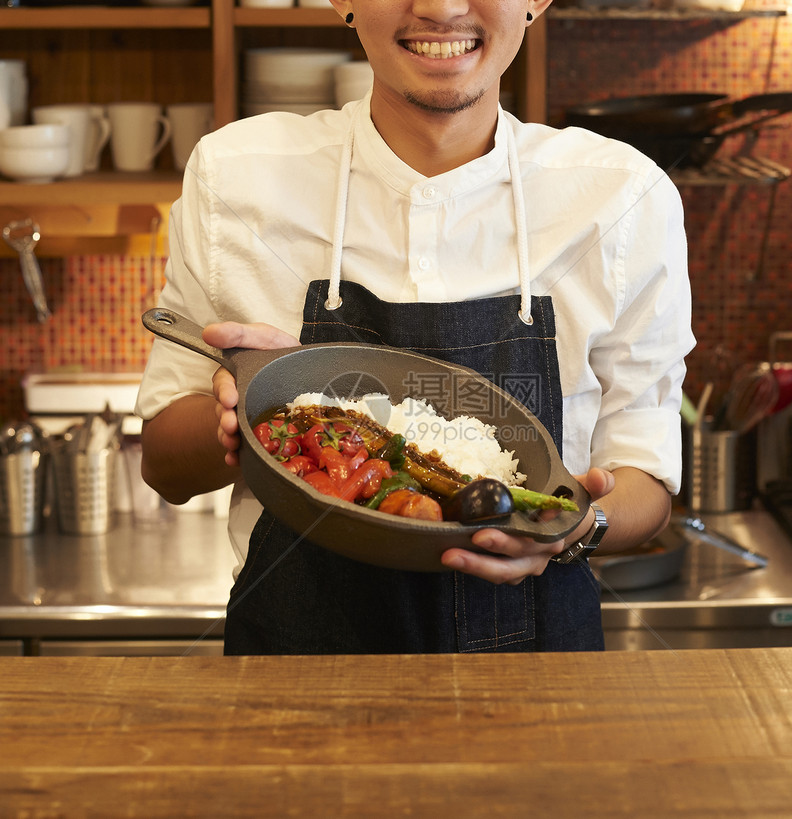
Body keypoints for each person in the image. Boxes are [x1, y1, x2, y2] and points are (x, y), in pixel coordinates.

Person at [136, 0, 695, 654]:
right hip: (292, 685)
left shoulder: (622, 198)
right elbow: (164, 465)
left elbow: (645, 479)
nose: (441, 7)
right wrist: (244, 420)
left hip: (541, 687)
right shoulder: (236, 177)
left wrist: (578, 525)